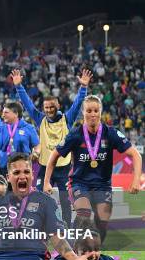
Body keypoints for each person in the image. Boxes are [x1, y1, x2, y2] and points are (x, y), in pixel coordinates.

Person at [44, 95, 142, 242]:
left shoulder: (111, 133)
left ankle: (92, 253)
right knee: (84, 213)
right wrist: (46, 182)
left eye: (96, 110)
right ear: (83, 113)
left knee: (101, 225)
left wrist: (136, 180)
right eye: (89, 110)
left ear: (101, 112)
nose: (93, 114)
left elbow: (135, 155)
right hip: (79, 183)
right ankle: (75, 247)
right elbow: (54, 156)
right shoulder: (75, 135)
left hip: (103, 185)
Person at [11, 68, 92, 225]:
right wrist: (19, 86)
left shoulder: (67, 119)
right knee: (40, 197)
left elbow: (77, 104)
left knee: (64, 200)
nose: (48, 110)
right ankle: (41, 226)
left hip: (63, 168)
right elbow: (28, 105)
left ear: (58, 105)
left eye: (51, 107)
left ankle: (67, 227)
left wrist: (83, 88)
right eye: (46, 107)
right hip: (44, 166)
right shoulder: (40, 118)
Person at [0, 101, 40, 177]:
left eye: (6, 112)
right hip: (3, 169)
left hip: (22, 170)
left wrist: (36, 153)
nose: (2, 115)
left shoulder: (29, 128)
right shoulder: (0, 128)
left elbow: (37, 146)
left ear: (16, 114)